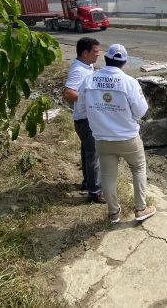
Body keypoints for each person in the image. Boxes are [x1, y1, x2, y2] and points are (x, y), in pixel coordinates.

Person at [80, 44, 156, 223]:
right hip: (127, 138)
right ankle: (140, 209)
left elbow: (82, 109)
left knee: (107, 175)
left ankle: (113, 213)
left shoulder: (89, 80)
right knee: (138, 168)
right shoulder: (129, 82)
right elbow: (141, 111)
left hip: (102, 139)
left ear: (106, 59)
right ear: (124, 62)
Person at [65, 37, 104, 203]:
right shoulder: (78, 70)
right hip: (85, 120)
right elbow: (68, 93)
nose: (98, 55)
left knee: (87, 153)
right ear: (85, 52)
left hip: (85, 119)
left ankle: (88, 182)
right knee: (94, 155)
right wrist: (90, 101)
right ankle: (95, 192)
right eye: (95, 52)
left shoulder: (86, 65)